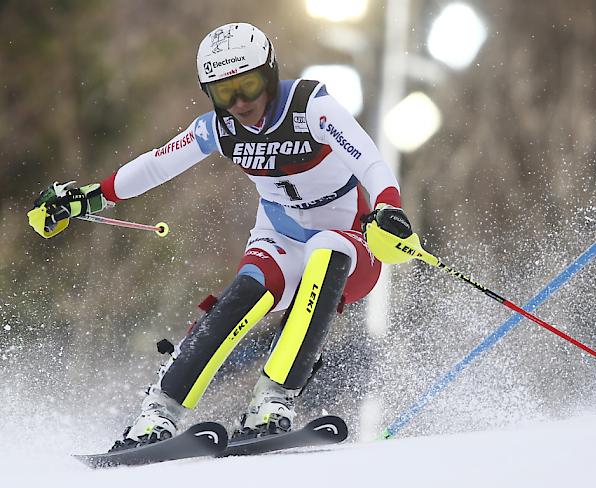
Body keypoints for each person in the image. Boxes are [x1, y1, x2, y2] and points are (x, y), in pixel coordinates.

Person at [30, 22, 413, 449]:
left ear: (269, 74)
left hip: (351, 241)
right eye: (224, 92)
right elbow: (156, 164)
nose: (241, 103)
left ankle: (275, 400)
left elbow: (371, 162)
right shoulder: (218, 127)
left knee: (327, 248)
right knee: (246, 291)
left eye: (248, 85)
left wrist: (388, 207)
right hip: (282, 232)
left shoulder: (311, 106)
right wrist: (88, 197)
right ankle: (159, 412)